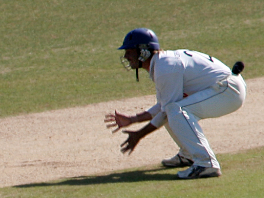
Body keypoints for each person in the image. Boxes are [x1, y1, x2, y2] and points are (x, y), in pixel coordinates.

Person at [105, 28, 246, 179]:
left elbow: (166, 111)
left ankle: (206, 164)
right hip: (224, 88)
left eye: (129, 51)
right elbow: (163, 106)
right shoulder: (161, 64)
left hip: (228, 91)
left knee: (175, 111)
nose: (126, 56)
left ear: (143, 52)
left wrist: (139, 134)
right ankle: (189, 154)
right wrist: (133, 120)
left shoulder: (165, 68)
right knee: (171, 110)